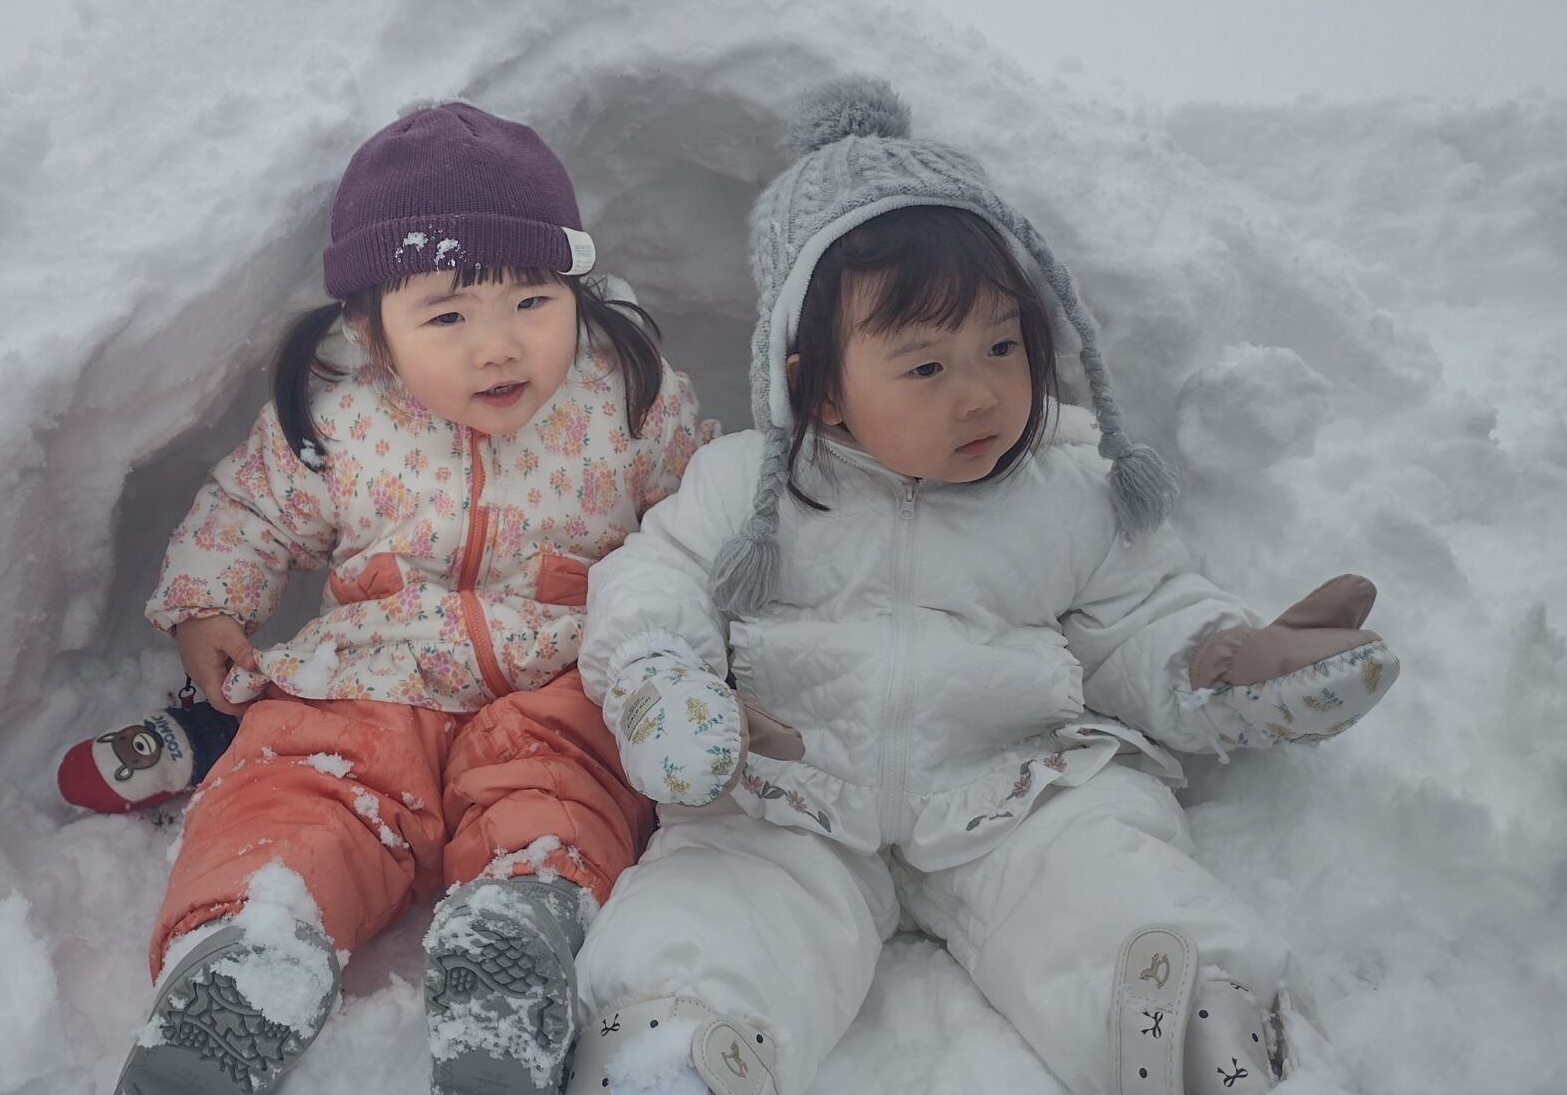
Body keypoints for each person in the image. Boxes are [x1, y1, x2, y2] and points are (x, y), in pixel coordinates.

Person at [566, 78, 1399, 1095]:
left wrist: (1221, 661)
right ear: (815, 384)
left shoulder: (1072, 485)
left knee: (1104, 870)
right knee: (717, 906)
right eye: (924, 367)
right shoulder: (750, 486)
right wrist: (667, 679)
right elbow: (656, 575)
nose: (982, 392)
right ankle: (679, 1049)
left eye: (1001, 346)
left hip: (1015, 787)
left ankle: (1184, 1025)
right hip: (792, 797)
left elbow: (1134, 617)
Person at [103, 101, 711, 1095]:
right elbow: (252, 511)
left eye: (531, 301)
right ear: (373, 329)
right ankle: (253, 941)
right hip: (373, 673)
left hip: (558, 673)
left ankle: (517, 938)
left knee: (567, 782)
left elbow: (700, 523)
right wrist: (209, 606)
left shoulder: (629, 396)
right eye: (448, 316)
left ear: (574, 289)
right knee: (295, 776)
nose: (499, 347)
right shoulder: (341, 416)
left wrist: (702, 642)